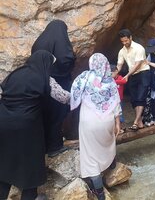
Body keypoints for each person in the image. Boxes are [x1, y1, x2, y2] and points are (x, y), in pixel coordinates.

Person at [0, 50, 70, 200]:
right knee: (31, 161)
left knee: (5, 159)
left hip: (3, 122)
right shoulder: (45, 78)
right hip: (27, 126)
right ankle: (30, 196)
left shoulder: (14, 74)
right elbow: (63, 97)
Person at [70, 53, 122, 200]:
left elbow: (74, 94)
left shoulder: (84, 77)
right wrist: (118, 122)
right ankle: (111, 164)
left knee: (90, 155)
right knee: (109, 141)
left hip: (89, 121)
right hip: (107, 120)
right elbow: (116, 102)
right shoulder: (110, 81)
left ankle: (99, 192)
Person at [31, 19, 75, 157]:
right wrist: (74, 57)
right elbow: (65, 60)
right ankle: (55, 147)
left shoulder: (38, 42)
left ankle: (43, 146)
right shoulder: (61, 42)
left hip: (40, 83)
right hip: (57, 83)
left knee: (45, 115)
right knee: (57, 115)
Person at [117, 29, 150, 131]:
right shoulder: (122, 51)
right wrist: (113, 74)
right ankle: (139, 121)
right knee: (134, 98)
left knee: (140, 97)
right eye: (122, 41)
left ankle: (135, 122)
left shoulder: (139, 48)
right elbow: (119, 65)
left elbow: (137, 65)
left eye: (126, 40)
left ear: (131, 37)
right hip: (132, 75)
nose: (125, 43)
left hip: (143, 73)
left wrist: (126, 75)